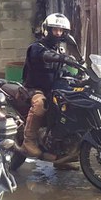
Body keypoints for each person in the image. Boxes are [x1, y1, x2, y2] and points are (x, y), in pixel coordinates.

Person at [21, 13, 80, 164]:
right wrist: (64, 58)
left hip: (54, 89)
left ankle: (61, 154)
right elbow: (45, 56)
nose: (58, 33)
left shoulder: (59, 50)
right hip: (35, 88)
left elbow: (59, 71)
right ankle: (28, 142)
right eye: (55, 30)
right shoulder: (36, 47)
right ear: (47, 30)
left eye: (61, 31)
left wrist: (79, 78)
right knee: (41, 104)